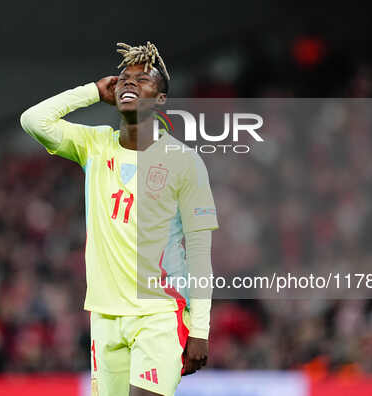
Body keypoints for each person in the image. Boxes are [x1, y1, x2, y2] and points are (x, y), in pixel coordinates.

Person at [20, 42, 218, 396]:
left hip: (159, 313)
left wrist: (200, 329)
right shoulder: (94, 145)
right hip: (105, 316)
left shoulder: (184, 163)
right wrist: (92, 91)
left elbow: (201, 254)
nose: (129, 83)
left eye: (142, 80)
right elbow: (33, 120)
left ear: (159, 100)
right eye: (123, 78)